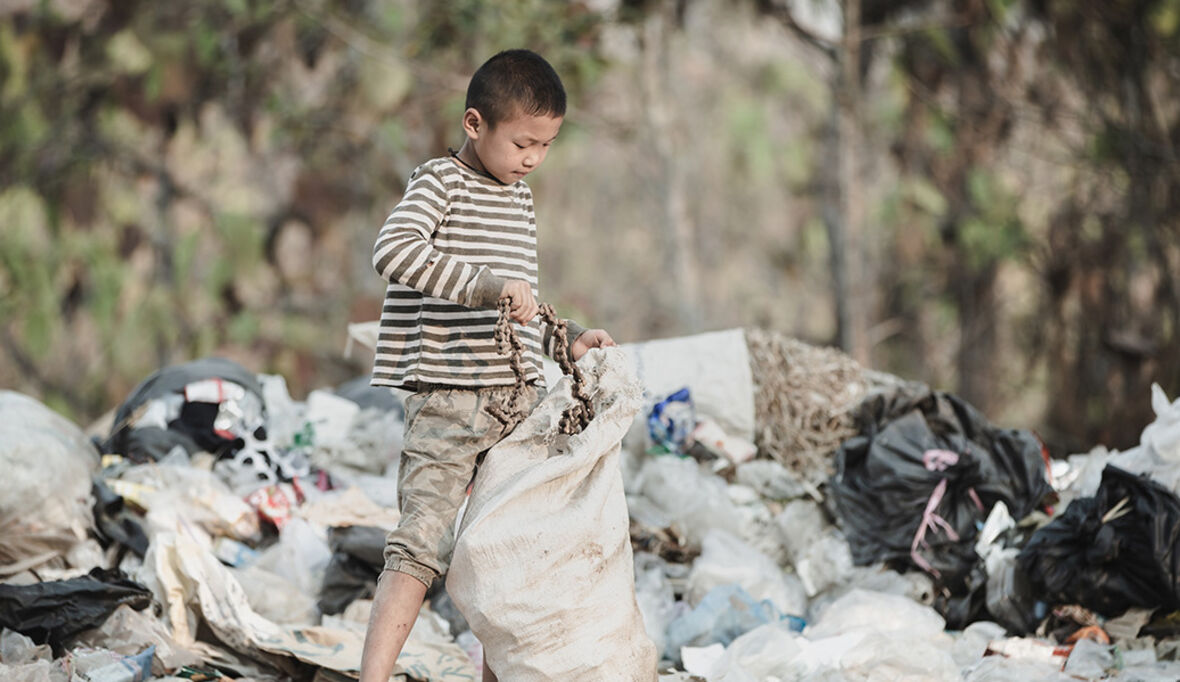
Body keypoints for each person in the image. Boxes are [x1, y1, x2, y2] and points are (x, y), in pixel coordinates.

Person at [358, 49, 615, 682]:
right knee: (420, 545)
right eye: (523, 143)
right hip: (449, 397)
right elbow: (393, 250)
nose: (533, 159)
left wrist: (569, 341)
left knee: (511, 553)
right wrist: (485, 286)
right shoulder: (438, 182)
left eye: (546, 146)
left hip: (516, 403)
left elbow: (521, 309)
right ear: (475, 124)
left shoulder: (520, 201)